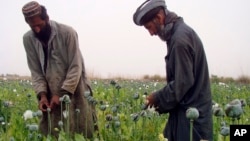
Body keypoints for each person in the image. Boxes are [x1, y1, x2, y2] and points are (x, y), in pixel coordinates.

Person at [133, 0, 213, 141]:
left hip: (192, 120)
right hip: (183, 114)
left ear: (159, 18)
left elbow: (183, 83)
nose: (151, 33)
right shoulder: (178, 34)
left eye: (149, 27)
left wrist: (156, 98)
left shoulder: (180, 40)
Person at [22, 1, 97, 138]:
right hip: (50, 92)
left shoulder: (67, 33)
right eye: (33, 27)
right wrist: (43, 95)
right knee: (53, 131)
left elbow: (76, 66)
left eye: (39, 25)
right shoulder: (28, 39)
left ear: (47, 18)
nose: (37, 30)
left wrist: (63, 93)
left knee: (80, 128)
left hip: (75, 89)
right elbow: (36, 72)